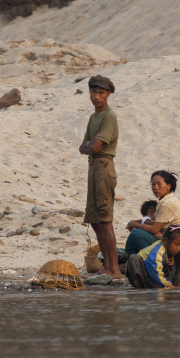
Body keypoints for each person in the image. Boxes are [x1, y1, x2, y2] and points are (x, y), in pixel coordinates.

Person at [79, 75, 121, 279]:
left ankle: (113, 268)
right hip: (93, 167)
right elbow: (83, 147)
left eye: (101, 93)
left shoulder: (109, 116)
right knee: (95, 220)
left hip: (104, 167)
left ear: (108, 94)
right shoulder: (93, 118)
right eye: (93, 92)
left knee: (105, 220)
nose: (96, 96)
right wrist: (90, 145)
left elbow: (95, 146)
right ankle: (108, 265)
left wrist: (91, 145)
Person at [125, 170, 180, 255]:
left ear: (168, 186)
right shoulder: (166, 200)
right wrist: (138, 221)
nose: (156, 187)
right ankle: (134, 259)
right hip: (170, 238)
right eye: (153, 184)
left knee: (135, 234)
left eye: (159, 184)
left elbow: (155, 229)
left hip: (175, 244)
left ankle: (134, 259)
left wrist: (134, 224)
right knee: (136, 238)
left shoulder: (167, 203)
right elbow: (158, 222)